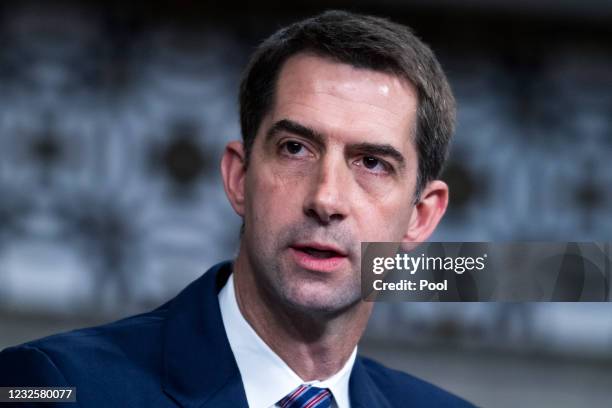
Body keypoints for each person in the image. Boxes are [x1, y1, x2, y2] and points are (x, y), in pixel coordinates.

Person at [0, 10, 474, 407]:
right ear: (238, 178)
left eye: (372, 162)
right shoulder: (55, 386)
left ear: (421, 216)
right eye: (295, 149)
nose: (326, 199)